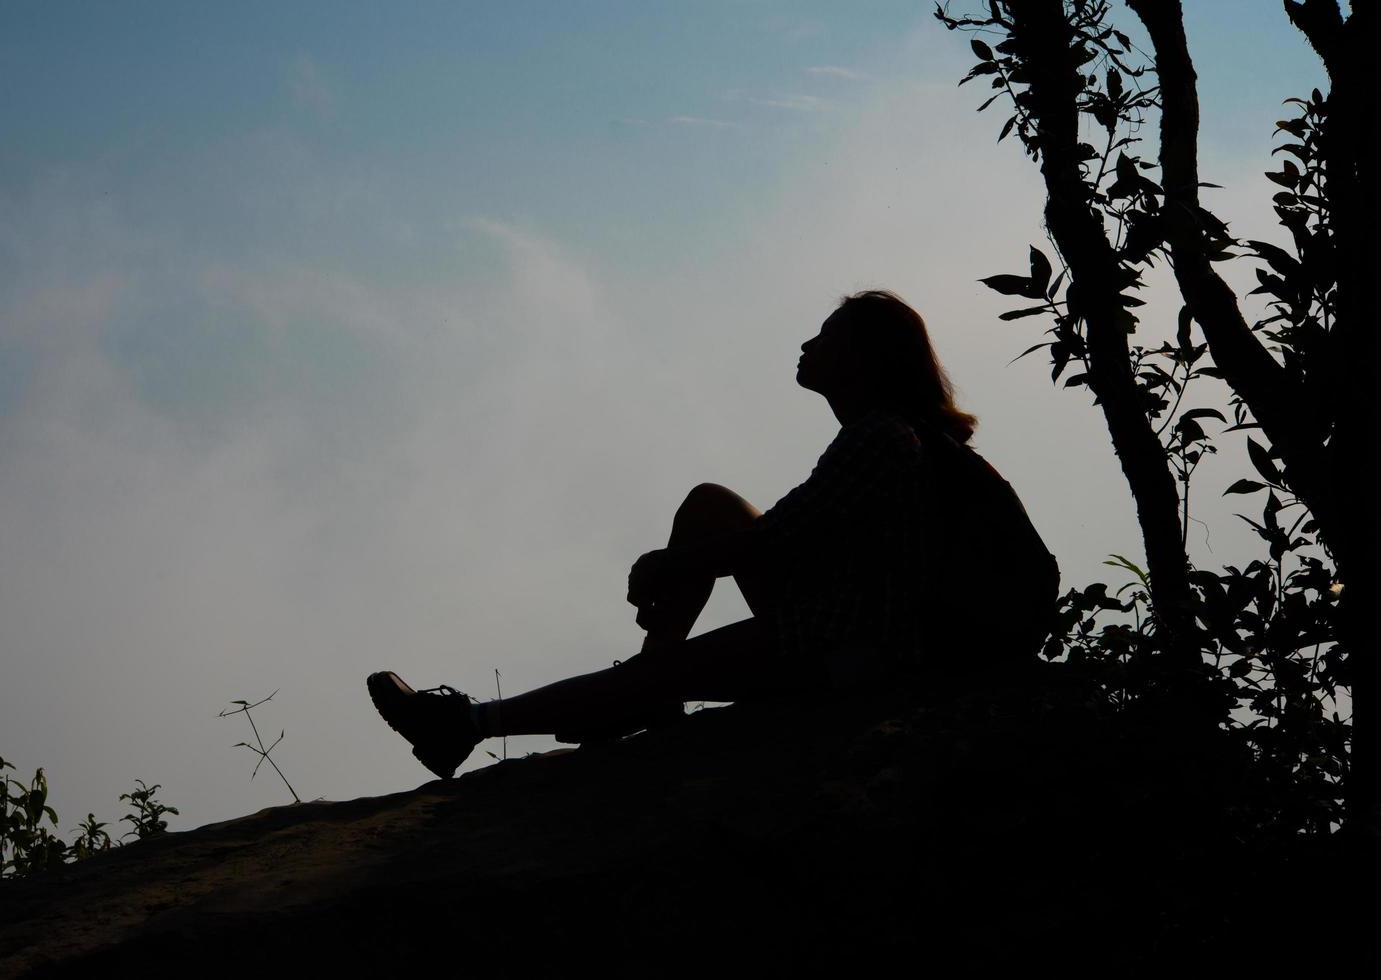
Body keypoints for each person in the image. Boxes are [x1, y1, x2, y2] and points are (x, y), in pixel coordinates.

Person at [367, 290, 1059, 780]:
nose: (806, 344)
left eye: (825, 338)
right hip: (848, 614)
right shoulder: (893, 435)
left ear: (865, 360)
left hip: (865, 649)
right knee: (710, 506)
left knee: (669, 641)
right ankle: (649, 690)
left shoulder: (882, 437)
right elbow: (788, 537)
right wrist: (682, 561)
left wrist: (668, 567)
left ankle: (466, 727)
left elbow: (778, 539)